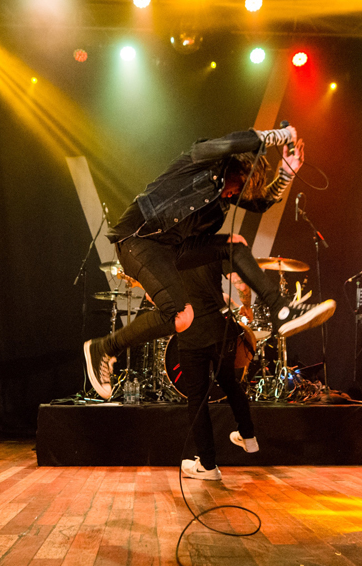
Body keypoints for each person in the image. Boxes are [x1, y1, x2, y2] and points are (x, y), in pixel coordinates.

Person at [84, 126, 336, 399]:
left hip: (173, 248)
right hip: (139, 239)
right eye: (234, 188)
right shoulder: (201, 159)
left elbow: (260, 203)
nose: (231, 195)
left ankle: (281, 310)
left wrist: (286, 173)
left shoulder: (225, 193)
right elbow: (230, 144)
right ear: (231, 169)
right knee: (181, 316)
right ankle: (105, 348)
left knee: (235, 245)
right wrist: (280, 135)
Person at [176, 260, 259, 481]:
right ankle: (249, 436)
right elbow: (242, 286)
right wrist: (247, 305)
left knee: (197, 399)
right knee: (230, 382)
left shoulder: (170, 254)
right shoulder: (212, 249)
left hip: (191, 334)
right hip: (222, 330)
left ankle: (208, 466)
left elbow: (154, 296)